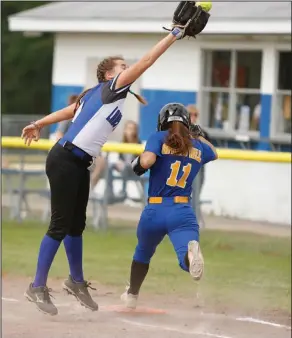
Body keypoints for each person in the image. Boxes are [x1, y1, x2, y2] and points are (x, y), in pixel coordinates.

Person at [21, 26, 189, 316]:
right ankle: (36, 285)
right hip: (64, 159)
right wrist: (174, 34)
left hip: (78, 163)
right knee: (60, 226)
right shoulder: (110, 89)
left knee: (76, 226)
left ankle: (75, 281)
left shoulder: (97, 94)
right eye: (122, 67)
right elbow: (147, 61)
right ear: (110, 75)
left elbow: (68, 112)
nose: (128, 70)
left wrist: (39, 123)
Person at [121, 103, 218, 309]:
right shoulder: (197, 146)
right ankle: (191, 256)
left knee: (143, 252)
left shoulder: (159, 138)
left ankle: (132, 295)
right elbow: (214, 153)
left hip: (154, 209)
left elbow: (146, 162)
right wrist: (198, 136)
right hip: (182, 211)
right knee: (186, 256)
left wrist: (135, 165)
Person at [54, 94, 107, 190]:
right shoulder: (66, 121)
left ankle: (91, 187)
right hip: (71, 153)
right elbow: (59, 136)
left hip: (86, 154)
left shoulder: (89, 120)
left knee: (101, 161)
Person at [107, 120, 142, 203]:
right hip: (123, 167)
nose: (130, 131)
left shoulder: (138, 143)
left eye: (132, 129)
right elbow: (120, 158)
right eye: (128, 129)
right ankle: (110, 193)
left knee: (126, 167)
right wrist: (119, 162)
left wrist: (128, 164)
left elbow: (139, 160)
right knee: (110, 166)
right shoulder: (122, 142)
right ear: (125, 130)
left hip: (134, 169)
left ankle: (123, 192)